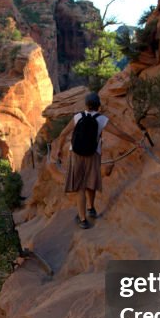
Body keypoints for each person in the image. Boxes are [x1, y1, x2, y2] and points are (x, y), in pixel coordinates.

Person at [54, 92, 139, 229]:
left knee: (80, 187)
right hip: (93, 154)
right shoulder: (101, 119)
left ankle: (82, 220)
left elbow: (63, 133)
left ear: (86, 105)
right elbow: (118, 133)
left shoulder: (78, 117)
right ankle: (91, 209)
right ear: (98, 106)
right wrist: (135, 141)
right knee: (90, 181)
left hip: (76, 154)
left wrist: (58, 149)